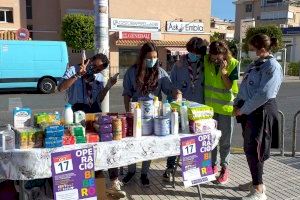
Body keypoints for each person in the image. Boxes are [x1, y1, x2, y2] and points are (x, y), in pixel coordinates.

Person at [58, 53, 126, 198]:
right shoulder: (73, 69)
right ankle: (81, 183)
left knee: (107, 144)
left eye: (97, 69)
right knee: (80, 147)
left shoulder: (99, 77)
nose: (94, 70)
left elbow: (98, 98)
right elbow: (61, 88)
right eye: (93, 66)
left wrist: (108, 86)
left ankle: (114, 181)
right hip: (77, 112)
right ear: (90, 60)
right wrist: (77, 75)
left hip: (94, 112)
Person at [234, 34, 283, 200]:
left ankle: (259, 190)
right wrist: (237, 103)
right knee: (250, 148)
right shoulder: (256, 64)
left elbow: (264, 94)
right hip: (249, 111)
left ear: (261, 48)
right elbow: (245, 87)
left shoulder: (272, 66)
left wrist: (244, 109)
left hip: (261, 111)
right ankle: (256, 181)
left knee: (256, 150)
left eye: (252, 48)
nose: (250, 51)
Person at [122, 42, 177, 186]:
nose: (152, 60)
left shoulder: (160, 72)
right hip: (135, 113)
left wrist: (175, 92)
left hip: (153, 115)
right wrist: (128, 112)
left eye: (154, 57)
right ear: (142, 57)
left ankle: (144, 173)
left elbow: (169, 89)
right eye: (149, 57)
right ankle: (131, 171)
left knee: (148, 145)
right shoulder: (132, 72)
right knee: (133, 144)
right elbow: (126, 93)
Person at [163, 37, 208, 182]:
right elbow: (173, 85)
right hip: (183, 108)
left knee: (197, 139)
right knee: (177, 138)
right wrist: (176, 93)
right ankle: (170, 168)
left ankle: (194, 169)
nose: (194, 55)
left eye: (197, 53)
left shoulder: (206, 64)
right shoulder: (179, 65)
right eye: (192, 52)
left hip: (200, 110)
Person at [204, 41, 239, 184]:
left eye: (217, 57)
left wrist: (224, 72)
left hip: (225, 109)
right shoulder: (207, 61)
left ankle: (225, 168)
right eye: (212, 57)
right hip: (209, 109)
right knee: (211, 140)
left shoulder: (233, 64)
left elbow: (230, 86)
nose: (215, 59)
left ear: (224, 53)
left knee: (225, 141)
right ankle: (212, 166)